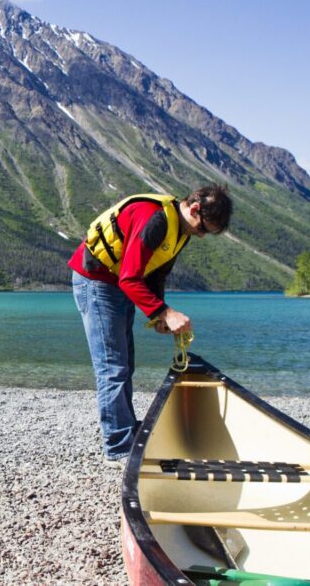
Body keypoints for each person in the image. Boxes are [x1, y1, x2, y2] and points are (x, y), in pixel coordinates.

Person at [68, 185, 232, 467]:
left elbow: (155, 274)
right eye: (204, 228)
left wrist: (157, 314)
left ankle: (127, 432)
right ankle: (117, 447)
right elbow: (130, 278)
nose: (202, 235)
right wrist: (165, 313)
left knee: (125, 364)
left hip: (117, 284)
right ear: (194, 209)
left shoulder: (181, 231)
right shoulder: (155, 219)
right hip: (96, 282)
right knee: (112, 367)